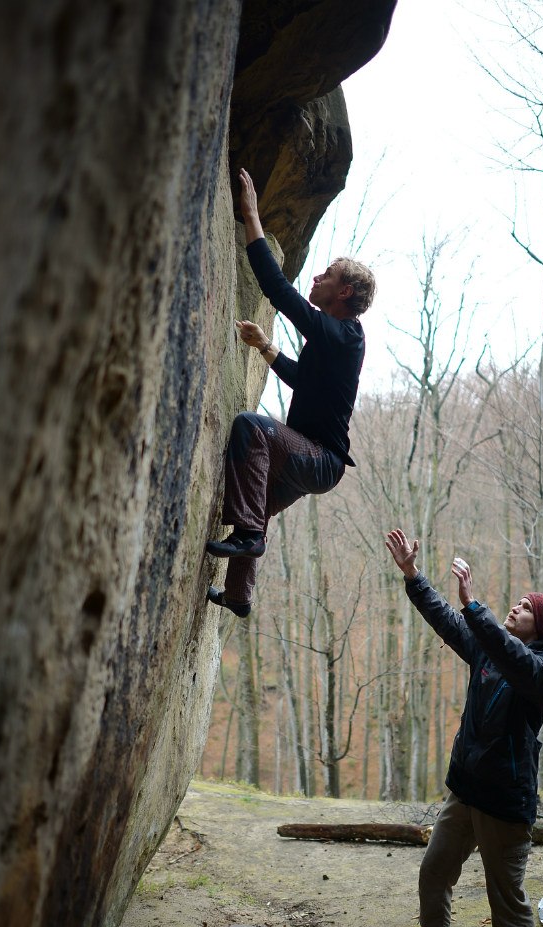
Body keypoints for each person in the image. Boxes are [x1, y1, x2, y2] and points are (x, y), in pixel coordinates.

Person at [384, 529, 543, 927]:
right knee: (435, 868)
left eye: (525, 608)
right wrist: (412, 575)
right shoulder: (491, 644)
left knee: (506, 897)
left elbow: (515, 659)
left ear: (542, 626)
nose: (516, 607)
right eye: (518, 602)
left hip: (506, 803)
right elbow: (448, 621)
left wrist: (475, 606)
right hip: (465, 789)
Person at [205, 168, 376, 617]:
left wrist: (250, 212)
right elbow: (304, 381)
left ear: (346, 291)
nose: (316, 277)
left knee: (250, 428)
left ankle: (248, 538)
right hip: (314, 459)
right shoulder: (338, 338)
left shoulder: (341, 334)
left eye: (327, 274)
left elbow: (278, 290)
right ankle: (239, 596)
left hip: (321, 460)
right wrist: (265, 346)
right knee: (253, 501)